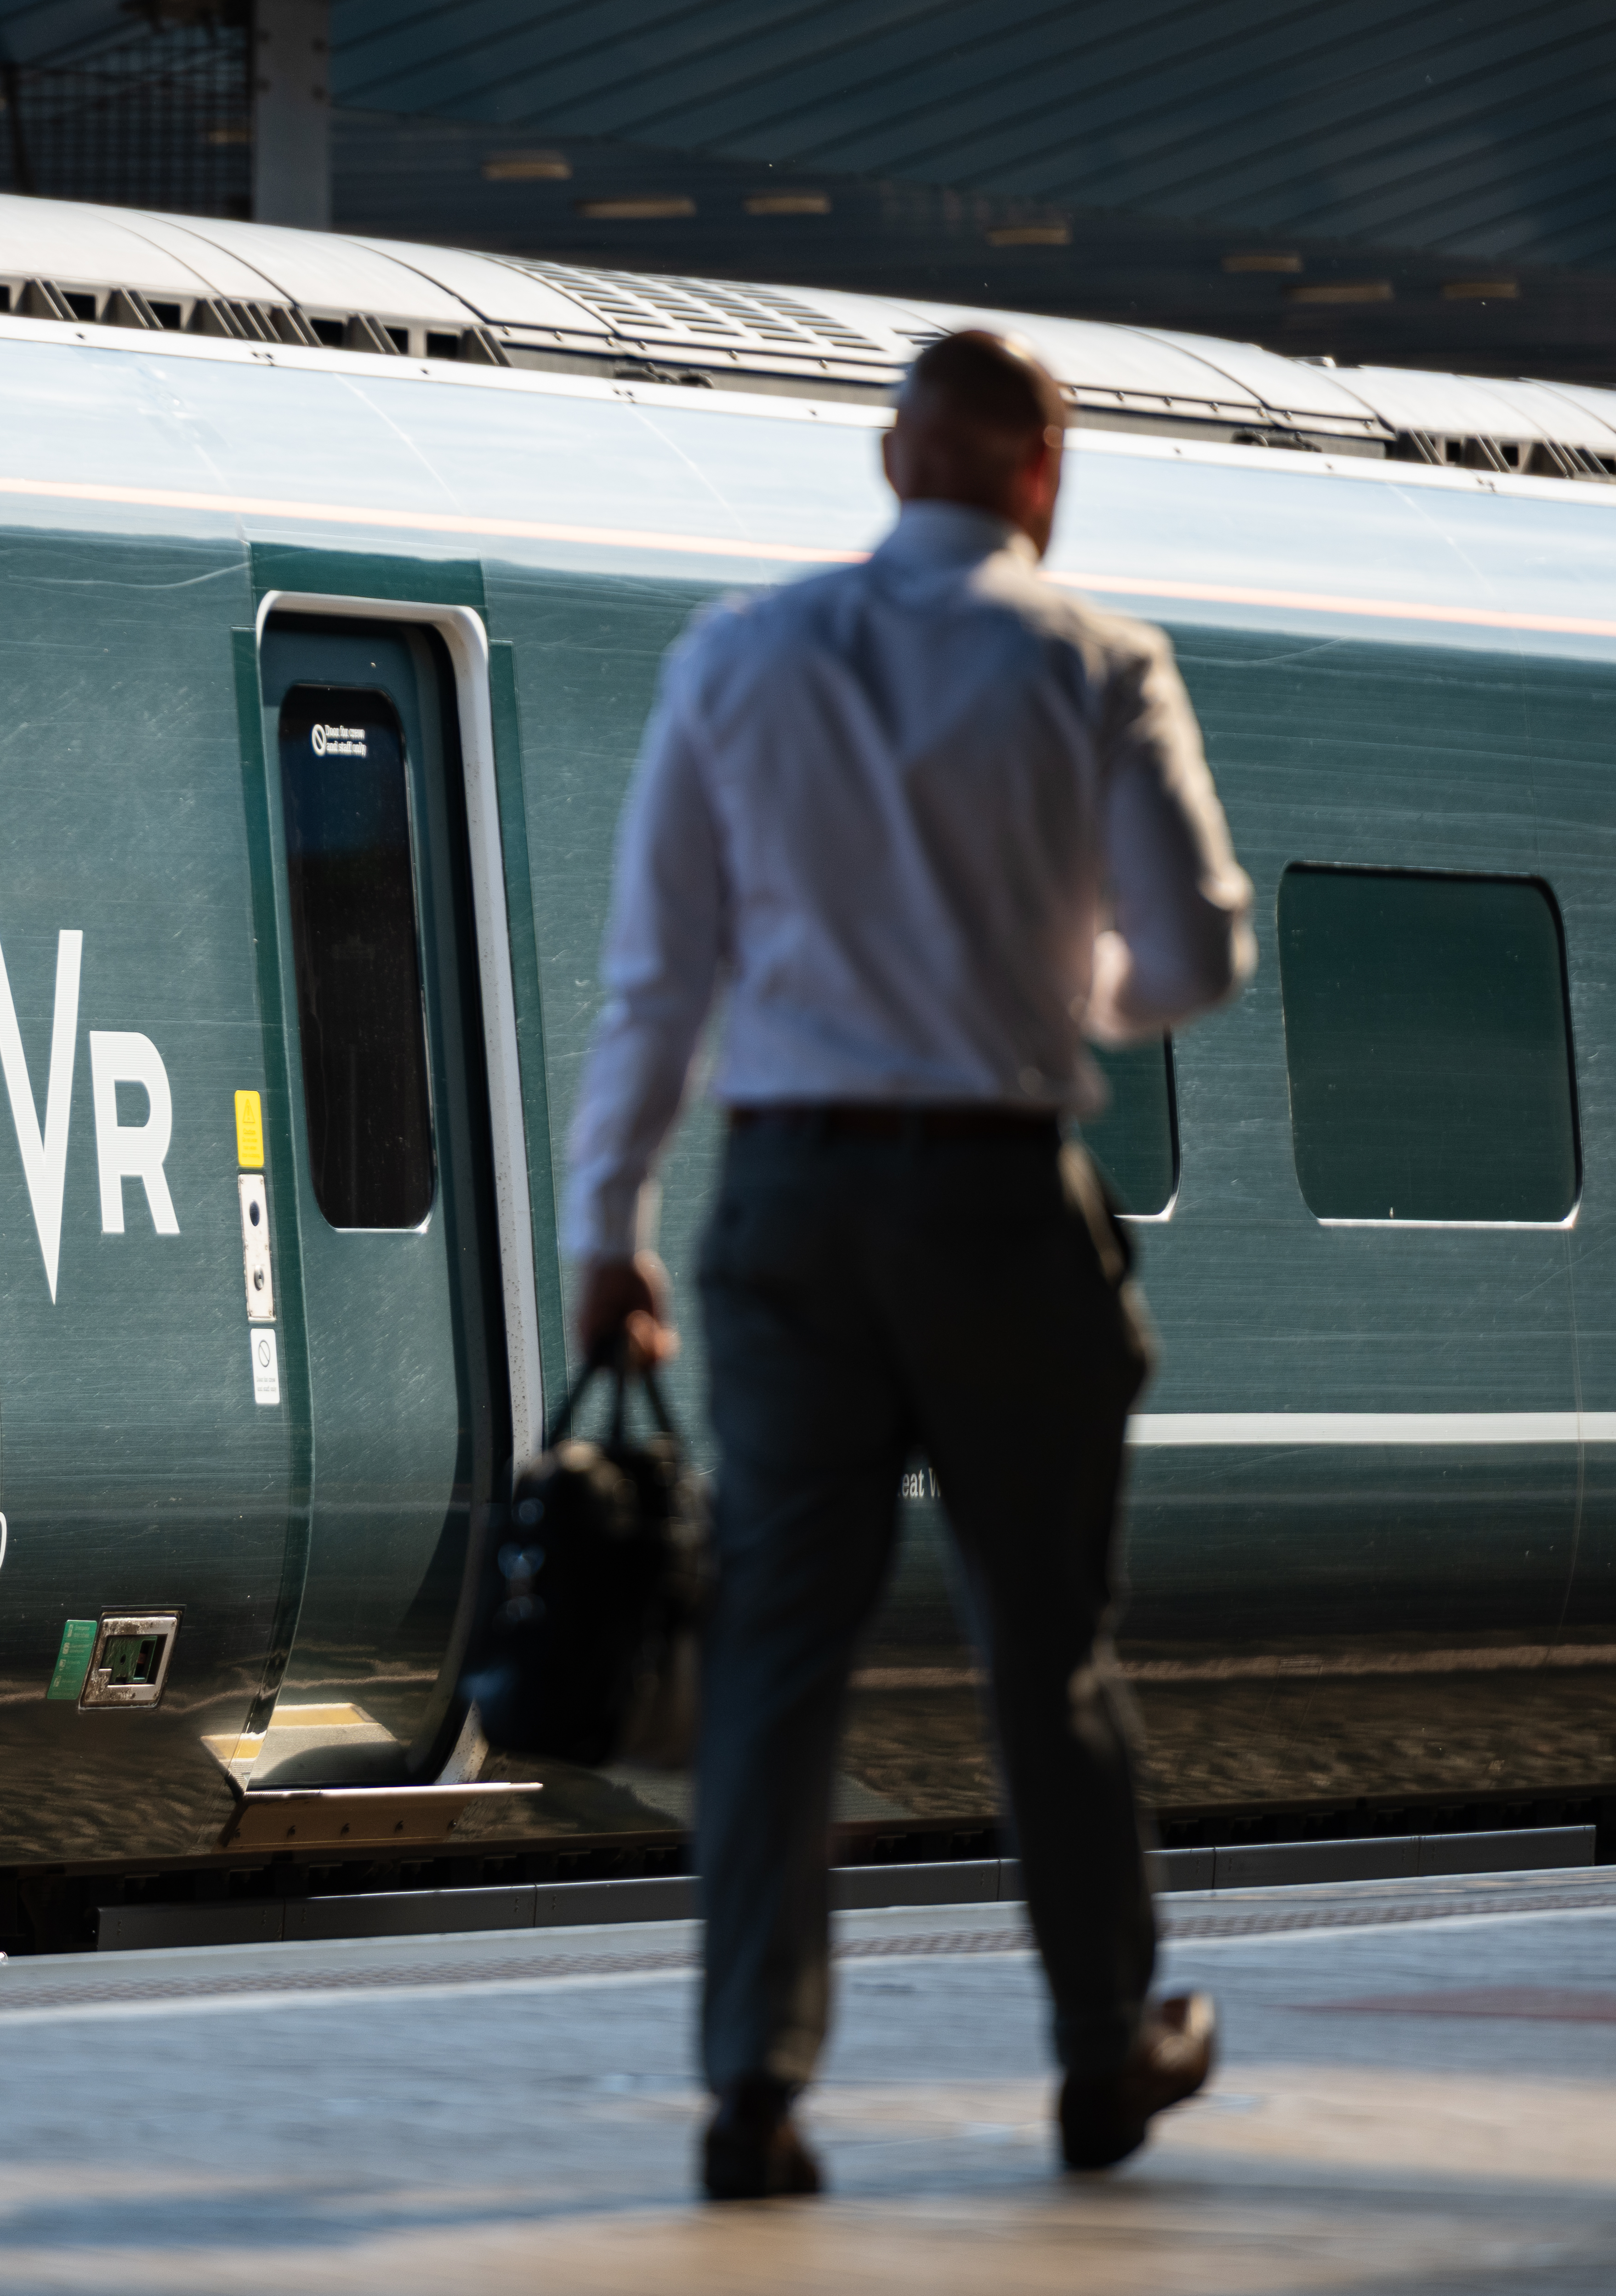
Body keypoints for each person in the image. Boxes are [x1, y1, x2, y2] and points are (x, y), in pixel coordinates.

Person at [563, 329, 1253, 2195]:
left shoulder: (736, 654)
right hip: (996, 1202)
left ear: (892, 463)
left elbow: (656, 980)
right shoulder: (1094, 661)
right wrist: (1070, 985)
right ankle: (1103, 2047)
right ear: (1044, 471)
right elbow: (1195, 956)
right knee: (1047, 1643)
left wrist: (603, 1231)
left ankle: (752, 2088)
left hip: (786, 1204)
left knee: (777, 1647)